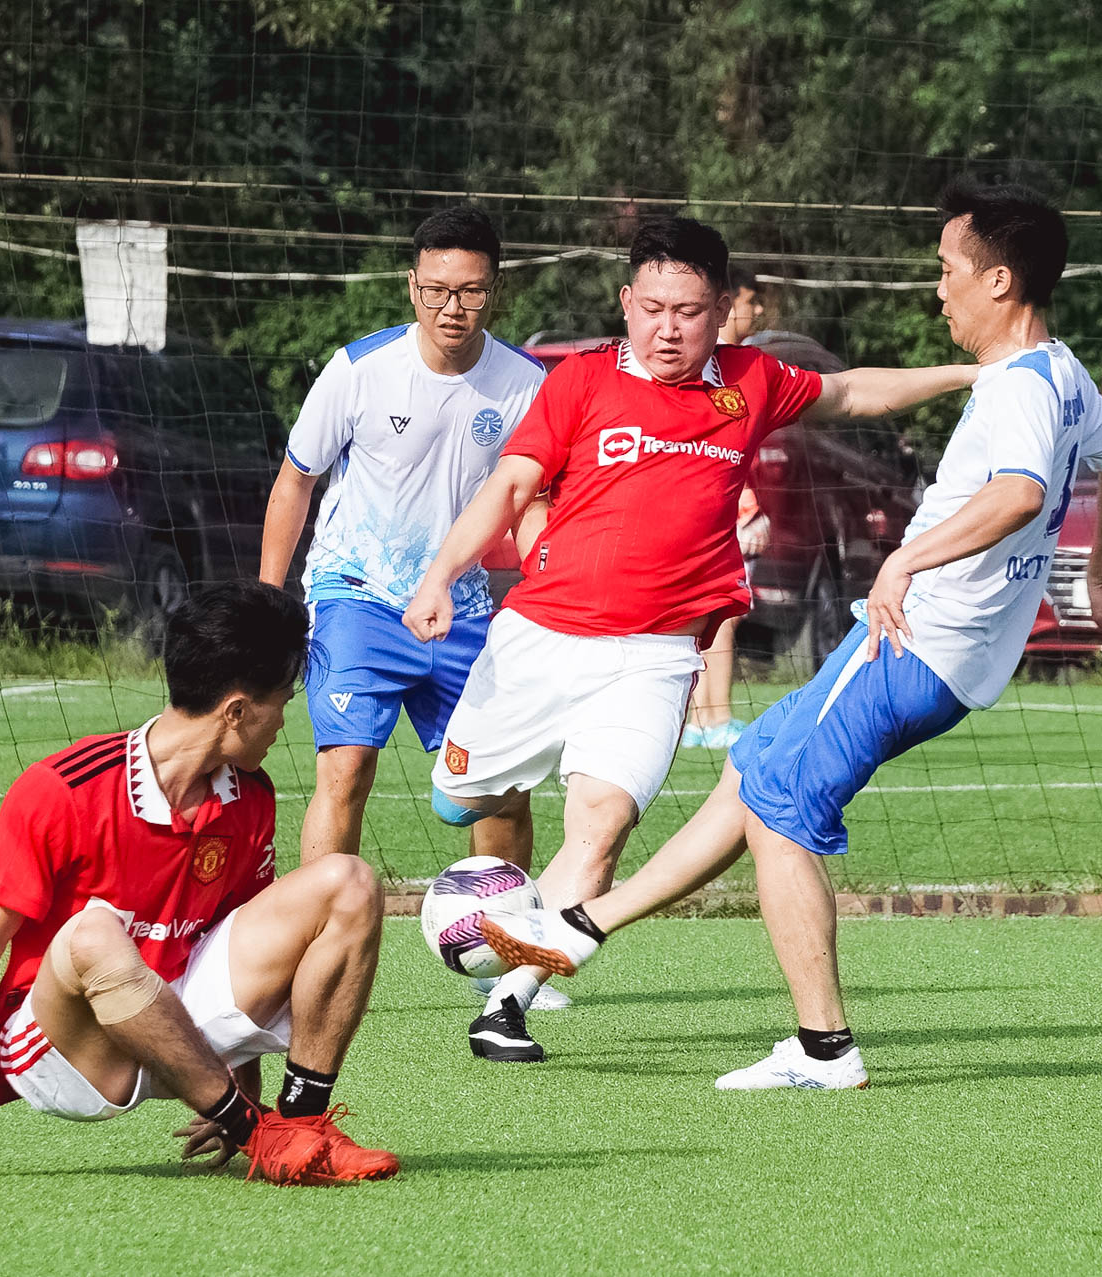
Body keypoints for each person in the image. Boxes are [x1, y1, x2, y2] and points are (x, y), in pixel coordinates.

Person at [478, 178, 1102, 1091]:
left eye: (948, 269)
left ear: (999, 281)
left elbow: (1019, 494)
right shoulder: (1063, 373)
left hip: (914, 645)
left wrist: (905, 561)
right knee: (754, 764)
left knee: (781, 808)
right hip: (937, 652)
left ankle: (822, 1045)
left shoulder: (1024, 387)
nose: (939, 288)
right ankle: (578, 929)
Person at [402, 215, 978, 1063]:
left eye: (689, 311)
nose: (668, 328)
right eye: (653, 309)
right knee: (460, 799)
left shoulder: (751, 380)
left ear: (719, 312)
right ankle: (483, 829)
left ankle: (507, 1001)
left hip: (656, 657)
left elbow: (851, 391)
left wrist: (975, 372)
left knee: (600, 828)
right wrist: (440, 575)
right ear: (626, 302)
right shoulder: (579, 381)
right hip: (538, 640)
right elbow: (513, 483)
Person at [0, 580, 398, 1186]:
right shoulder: (62, 790)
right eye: (281, 701)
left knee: (349, 881)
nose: (285, 721)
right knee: (93, 933)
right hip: (71, 1052)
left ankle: (300, 1124)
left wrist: (245, 1084)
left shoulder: (250, 797)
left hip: (181, 1022)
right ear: (235, 711)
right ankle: (255, 1133)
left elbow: (233, 936)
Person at [258, 207, 544, 874]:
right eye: (437, 290)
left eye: (470, 292)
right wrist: (267, 604)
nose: (453, 308)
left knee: (498, 792)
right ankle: (321, 930)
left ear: (495, 290)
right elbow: (295, 481)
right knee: (346, 768)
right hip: (357, 595)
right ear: (412, 286)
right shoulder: (359, 369)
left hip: (462, 608)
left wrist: (550, 586)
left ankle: (501, 939)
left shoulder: (527, 384)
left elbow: (532, 502)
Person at [684, 263, 768, 750]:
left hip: (724, 509)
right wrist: (751, 509)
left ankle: (702, 718)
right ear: (726, 303)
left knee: (711, 613)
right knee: (724, 612)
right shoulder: (721, 366)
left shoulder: (740, 364)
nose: (758, 309)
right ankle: (715, 718)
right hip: (723, 513)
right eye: (751, 300)